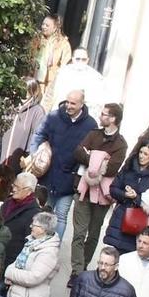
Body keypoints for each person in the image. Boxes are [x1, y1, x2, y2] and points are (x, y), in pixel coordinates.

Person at [71, 103, 128, 275]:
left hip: (103, 196)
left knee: (93, 234)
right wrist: (100, 159)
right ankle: (77, 272)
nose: (101, 116)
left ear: (113, 119)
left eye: (104, 114)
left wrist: (91, 156)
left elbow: (112, 168)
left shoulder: (120, 143)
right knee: (79, 234)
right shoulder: (93, 134)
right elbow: (78, 152)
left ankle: (84, 264)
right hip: (84, 191)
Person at [33, 89, 96, 241]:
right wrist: (36, 153)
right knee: (44, 213)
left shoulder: (90, 125)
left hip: (69, 179)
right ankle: (37, 244)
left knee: (61, 216)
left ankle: (54, 247)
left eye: (73, 103)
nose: (68, 105)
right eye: (67, 101)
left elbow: (91, 152)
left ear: (82, 104)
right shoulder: (54, 117)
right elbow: (39, 134)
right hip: (48, 175)